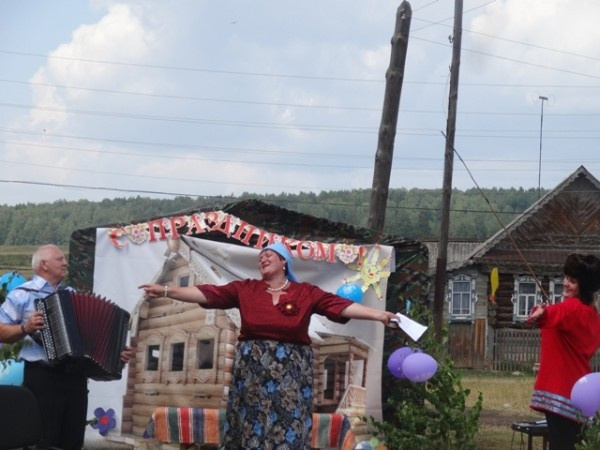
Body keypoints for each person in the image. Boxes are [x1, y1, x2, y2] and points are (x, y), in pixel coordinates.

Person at [140, 242, 398, 449]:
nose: (262, 258)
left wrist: (379, 315)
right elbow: (207, 293)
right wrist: (166, 291)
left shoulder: (305, 292)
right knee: (249, 423)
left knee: (289, 423)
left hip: (291, 374)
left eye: (269, 254)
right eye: (260, 256)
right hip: (251, 372)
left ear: (284, 261)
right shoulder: (246, 289)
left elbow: (340, 306)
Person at [0, 244, 133, 450]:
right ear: (44, 264)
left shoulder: (71, 295)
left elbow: (91, 336)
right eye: (59, 259)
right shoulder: (22, 295)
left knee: (73, 441)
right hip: (42, 377)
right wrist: (25, 328)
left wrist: (116, 353)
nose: (65, 263)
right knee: (42, 440)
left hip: (75, 378)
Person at [527, 253, 600, 450]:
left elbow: (559, 312)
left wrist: (543, 313)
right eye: (566, 277)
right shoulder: (592, 314)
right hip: (579, 391)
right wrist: (546, 313)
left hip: (562, 391)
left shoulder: (573, 309)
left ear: (583, 287)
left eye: (573, 281)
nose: (566, 283)